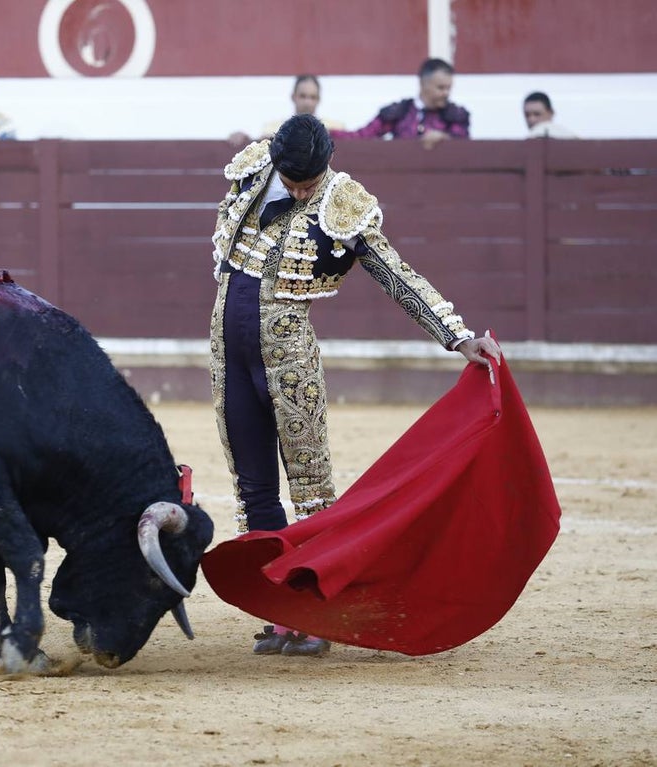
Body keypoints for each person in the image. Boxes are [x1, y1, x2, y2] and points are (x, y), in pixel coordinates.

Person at [209, 114, 502, 656]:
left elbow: (393, 271)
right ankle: (276, 611)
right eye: (294, 180)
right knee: (253, 491)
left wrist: (457, 336)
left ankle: (316, 614)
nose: (301, 190)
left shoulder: (342, 202)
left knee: (312, 490)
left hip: (288, 355)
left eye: (310, 181)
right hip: (227, 351)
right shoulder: (251, 172)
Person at [331, 58, 469, 150]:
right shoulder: (399, 112)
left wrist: (444, 138)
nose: (446, 93)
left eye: (448, 88)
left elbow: (464, 145)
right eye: (440, 88)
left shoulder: (456, 115)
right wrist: (327, 134)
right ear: (423, 84)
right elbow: (363, 136)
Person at [229, 74, 345, 146]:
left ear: (318, 99)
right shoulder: (271, 128)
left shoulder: (336, 128)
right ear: (293, 97)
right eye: (303, 96)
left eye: (312, 97)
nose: (307, 102)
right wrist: (245, 139)